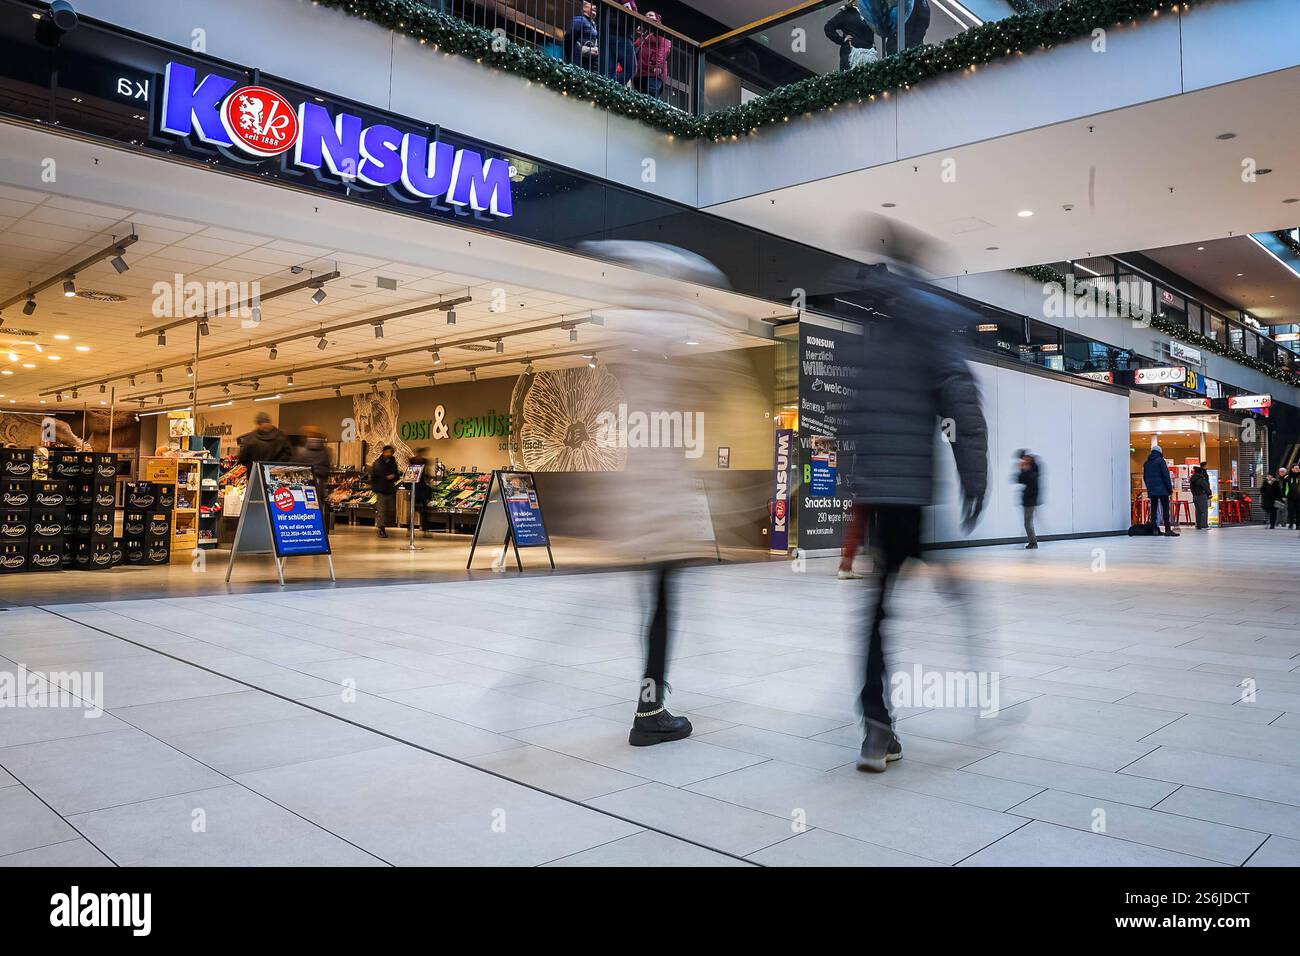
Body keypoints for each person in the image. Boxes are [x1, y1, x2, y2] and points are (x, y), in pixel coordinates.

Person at [839, 268, 988, 773]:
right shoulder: (931, 338)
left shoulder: (871, 343)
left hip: (881, 497)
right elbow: (961, 406)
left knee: (876, 613)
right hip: (912, 499)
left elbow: (849, 420)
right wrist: (974, 476)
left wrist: (854, 481)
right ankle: (978, 676)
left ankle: (876, 727)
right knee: (930, 585)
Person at [294, 425, 333, 529]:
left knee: (305, 507)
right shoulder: (326, 451)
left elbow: (297, 467)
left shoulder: (302, 451)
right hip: (320, 484)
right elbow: (327, 467)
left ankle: (306, 526)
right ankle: (320, 527)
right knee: (319, 506)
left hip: (306, 484)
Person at [824, 2, 875, 71]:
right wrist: (842, 40)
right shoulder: (845, 14)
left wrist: (873, 45)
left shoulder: (868, 14)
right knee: (851, 80)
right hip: (851, 54)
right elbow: (828, 27)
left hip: (869, 55)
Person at [633, 11, 672, 100]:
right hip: (640, 73)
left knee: (651, 96)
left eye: (651, 15)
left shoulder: (660, 32)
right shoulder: (645, 34)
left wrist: (658, 65)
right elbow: (635, 47)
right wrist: (639, 35)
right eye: (646, 15)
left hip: (653, 71)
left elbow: (664, 49)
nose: (647, 17)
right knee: (640, 98)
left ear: (657, 19)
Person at [601, 1, 639, 86]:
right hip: (621, 35)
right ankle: (614, 88)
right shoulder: (627, 1)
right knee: (631, 68)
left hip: (607, 34)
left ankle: (608, 88)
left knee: (609, 70)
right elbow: (631, 16)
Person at [1143, 446, 1177, 536]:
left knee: (1153, 509)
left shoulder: (1146, 463)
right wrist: (1169, 489)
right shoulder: (1161, 461)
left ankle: (1154, 529)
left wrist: (1149, 487)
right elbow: (1166, 476)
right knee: (1165, 508)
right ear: (1160, 452)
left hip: (1152, 489)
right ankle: (1167, 529)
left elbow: (1145, 477)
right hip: (1162, 490)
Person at [369, 445, 401, 539]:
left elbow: (397, 475)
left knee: (390, 510)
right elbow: (377, 475)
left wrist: (393, 476)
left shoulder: (393, 462)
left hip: (390, 489)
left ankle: (385, 525)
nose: (389, 454)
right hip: (381, 490)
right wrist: (386, 477)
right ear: (384, 452)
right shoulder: (378, 463)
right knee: (382, 510)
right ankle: (381, 528)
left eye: (391, 452)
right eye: (388, 452)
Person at [564, 1, 600, 71]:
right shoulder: (579, 19)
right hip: (578, 63)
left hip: (589, 65)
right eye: (592, 4)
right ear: (584, 8)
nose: (595, 7)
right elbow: (569, 37)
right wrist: (579, 50)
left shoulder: (594, 25)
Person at [1015, 449, 1041, 548]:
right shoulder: (1026, 466)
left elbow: (1033, 480)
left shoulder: (1034, 466)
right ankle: (1032, 542)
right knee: (1027, 522)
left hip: (1031, 499)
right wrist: (1022, 470)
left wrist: (1026, 469)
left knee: (1027, 523)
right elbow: (1020, 480)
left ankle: (1033, 543)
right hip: (1027, 499)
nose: (1022, 460)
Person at [1190, 462, 1211, 530]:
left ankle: (1198, 525)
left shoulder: (1192, 479)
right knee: (1204, 510)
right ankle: (1204, 526)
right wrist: (1209, 493)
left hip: (1195, 496)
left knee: (1198, 511)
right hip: (1201, 495)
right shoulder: (1200, 479)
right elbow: (1206, 487)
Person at [1288, 464, 1300, 530]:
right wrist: (1286, 495)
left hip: (1298, 497)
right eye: (1296, 468)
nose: (1297, 469)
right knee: (1291, 511)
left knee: (1298, 511)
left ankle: (1298, 525)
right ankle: (1291, 523)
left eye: (1298, 468)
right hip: (1290, 497)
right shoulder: (1288, 477)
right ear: (1292, 469)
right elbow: (1285, 487)